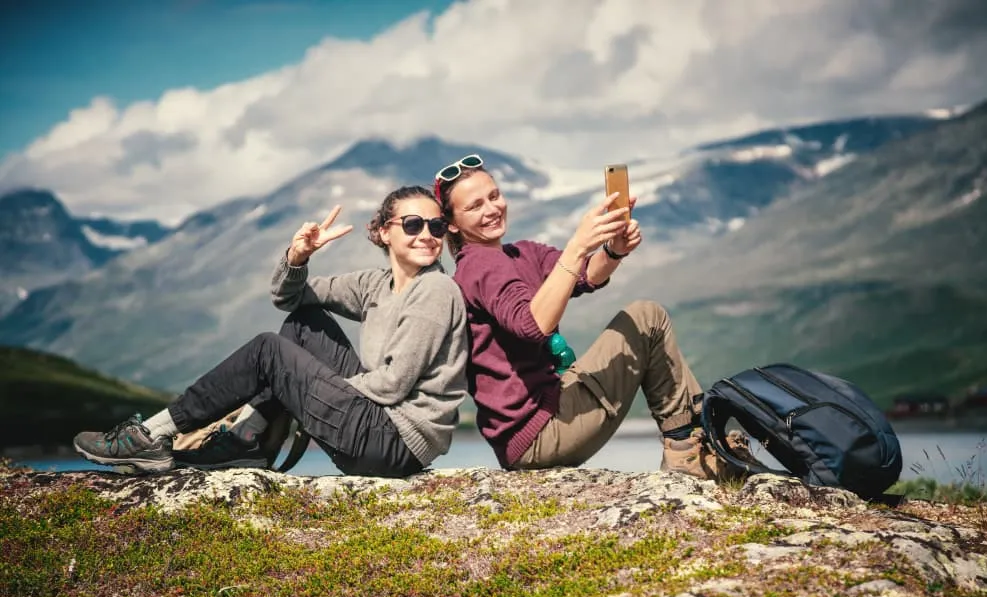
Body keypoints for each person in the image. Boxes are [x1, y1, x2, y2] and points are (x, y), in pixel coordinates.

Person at [73, 185, 469, 478]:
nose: (428, 235)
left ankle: (150, 434)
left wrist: (307, 385)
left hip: (393, 443)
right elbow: (289, 299)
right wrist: (298, 257)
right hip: (374, 425)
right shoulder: (374, 284)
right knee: (303, 326)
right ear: (384, 232)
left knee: (269, 351)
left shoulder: (435, 289)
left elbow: (393, 385)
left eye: (436, 225)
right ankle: (247, 442)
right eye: (414, 224)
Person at [435, 154, 745, 480]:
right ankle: (689, 450)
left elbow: (585, 275)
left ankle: (697, 442)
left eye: (494, 196)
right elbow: (531, 325)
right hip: (537, 433)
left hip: (547, 414)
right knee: (646, 318)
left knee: (647, 317)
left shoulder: (520, 253)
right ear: (452, 224)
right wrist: (577, 246)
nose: (491, 209)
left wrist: (614, 250)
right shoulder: (478, 265)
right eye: (475, 206)